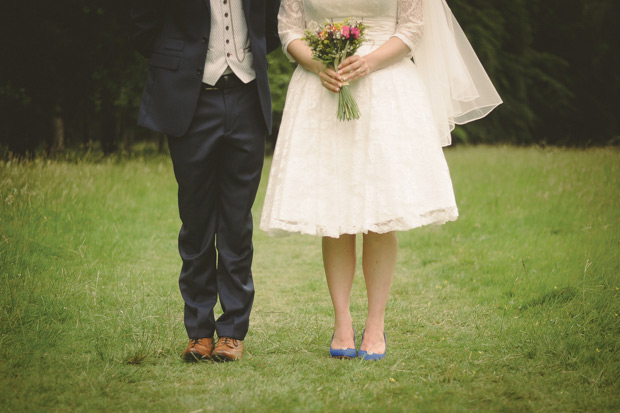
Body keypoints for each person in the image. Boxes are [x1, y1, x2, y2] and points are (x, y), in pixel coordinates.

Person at [260, 0, 501, 360]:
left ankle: (375, 323)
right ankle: (342, 322)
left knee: (380, 210)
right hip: (322, 88)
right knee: (335, 211)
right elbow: (289, 29)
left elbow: (412, 27)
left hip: (385, 88)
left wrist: (368, 62)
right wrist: (317, 63)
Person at [130, 0, 280, 362]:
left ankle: (231, 332)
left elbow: (274, 25)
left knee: (237, 222)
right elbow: (142, 28)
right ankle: (198, 330)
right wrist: (186, 62)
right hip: (190, 102)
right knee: (195, 221)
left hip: (247, 98)